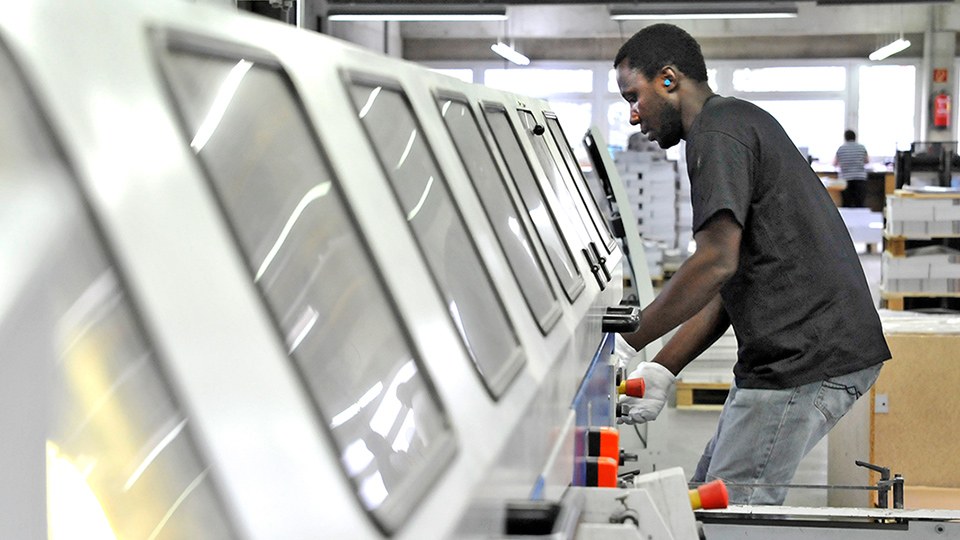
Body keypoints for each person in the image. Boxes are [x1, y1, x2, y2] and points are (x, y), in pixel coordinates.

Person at [612, 23, 890, 505]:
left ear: (669, 79)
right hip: (785, 358)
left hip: (805, 359)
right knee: (703, 499)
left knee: (732, 515)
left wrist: (627, 338)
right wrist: (662, 368)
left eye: (633, 97)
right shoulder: (732, 122)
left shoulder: (717, 135)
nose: (634, 117)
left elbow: (715, 262)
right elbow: (729, 281)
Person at [834, 129, 870, 207]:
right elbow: (867, 161)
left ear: (845, 138)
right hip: (860, 179)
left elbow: (835, 163)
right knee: (859, 204)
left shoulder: (841, 149)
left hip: (845, 180)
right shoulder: (861, 147)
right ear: (855, 137)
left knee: (847, 203)